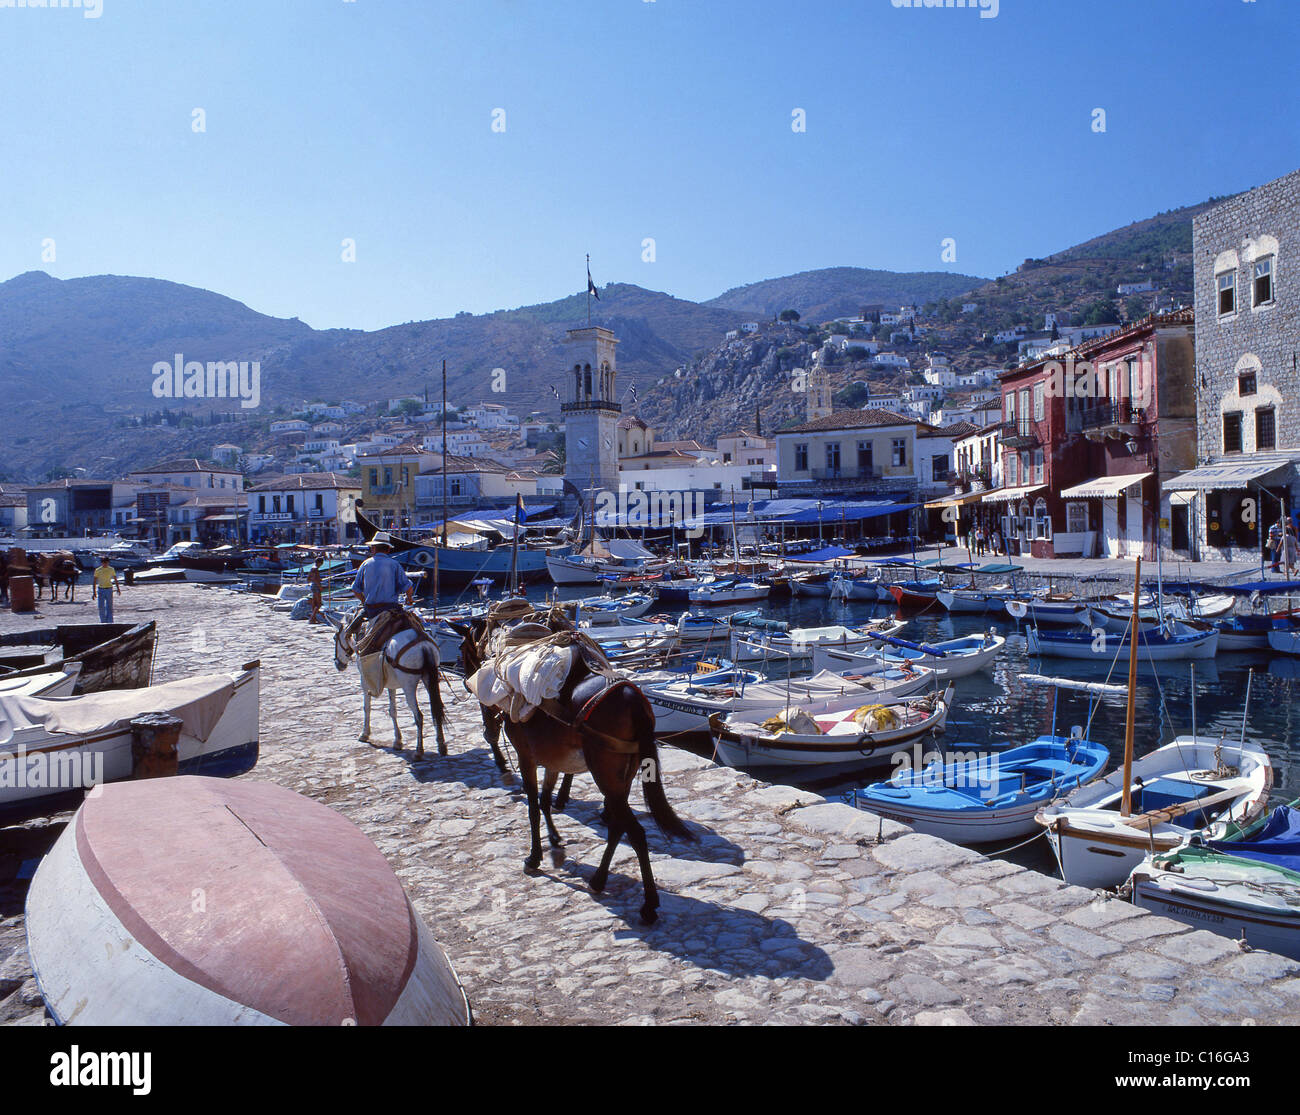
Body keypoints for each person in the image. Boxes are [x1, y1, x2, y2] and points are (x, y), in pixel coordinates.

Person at [349, 533, 415, 656]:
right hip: (391, 609)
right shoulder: (394, 564)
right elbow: (408, 587)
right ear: (388, 549)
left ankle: (348, 646)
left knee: (352, 628)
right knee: (415, 624)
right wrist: (409, 598)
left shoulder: (365, 564)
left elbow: (356, 589)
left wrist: (364, 602)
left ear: (373, 548)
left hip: (372, 611)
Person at [92, 555, 121, 623]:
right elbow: (94, 581)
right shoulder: (98, 570)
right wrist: (94, 592)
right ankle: (103, 621)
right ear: (101, 563)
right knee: (101, 606)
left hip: (109, 589)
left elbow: (115, 579)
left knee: (109, 606)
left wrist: (118, 589)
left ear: (108, 562)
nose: (105, 564)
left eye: (106, 562)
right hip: (101, 589)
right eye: (103, 562)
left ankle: (110, 621)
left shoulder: (111, 569)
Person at [307, 557, 325, 625]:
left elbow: (309, 578)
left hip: (312, 586)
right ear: (320, 563)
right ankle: (312, 618)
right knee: (319, 604)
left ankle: (314, 619)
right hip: (316, 587)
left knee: (314, 604)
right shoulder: (315, 569)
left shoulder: (312, 568)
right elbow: (315, 579)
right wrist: (320, 586)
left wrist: (318, 579)